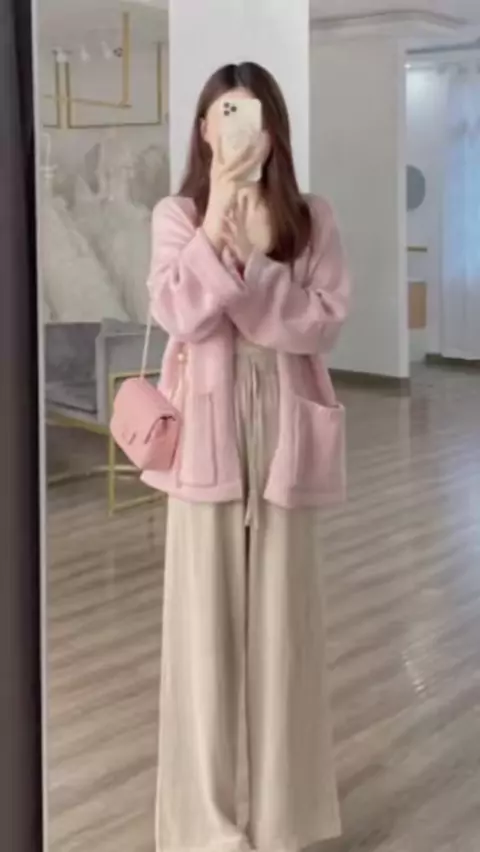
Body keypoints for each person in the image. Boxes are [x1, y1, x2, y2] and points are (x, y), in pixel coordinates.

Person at [143, 61, 350, 852]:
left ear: (273, 130)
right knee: (200, 641)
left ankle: (287, 820)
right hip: (205, 435)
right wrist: (215, 234)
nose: (234, 129)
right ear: (204, 129)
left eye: (249, 115)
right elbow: (177, 312)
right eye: (221, 114)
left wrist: (256, 271)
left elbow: (324, 324)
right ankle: (204, 828)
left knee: (285, 637)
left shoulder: (311, 218)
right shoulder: (177, 215)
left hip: (286, 434)